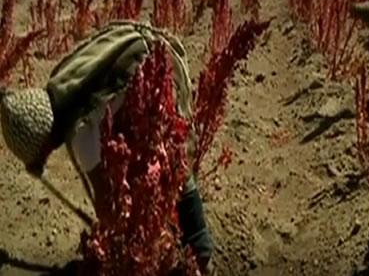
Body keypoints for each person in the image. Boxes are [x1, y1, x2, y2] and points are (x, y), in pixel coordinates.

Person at [0, 20, 214, 275]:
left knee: (169, 161)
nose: (45, 157)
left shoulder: (80, 132)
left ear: (44, 139)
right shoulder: (60, 88)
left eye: (40, 152)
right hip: (150, 56)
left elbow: (106, 198)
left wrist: (116, 239)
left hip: (156, 73)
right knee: (155, 164)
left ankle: (199, 248)